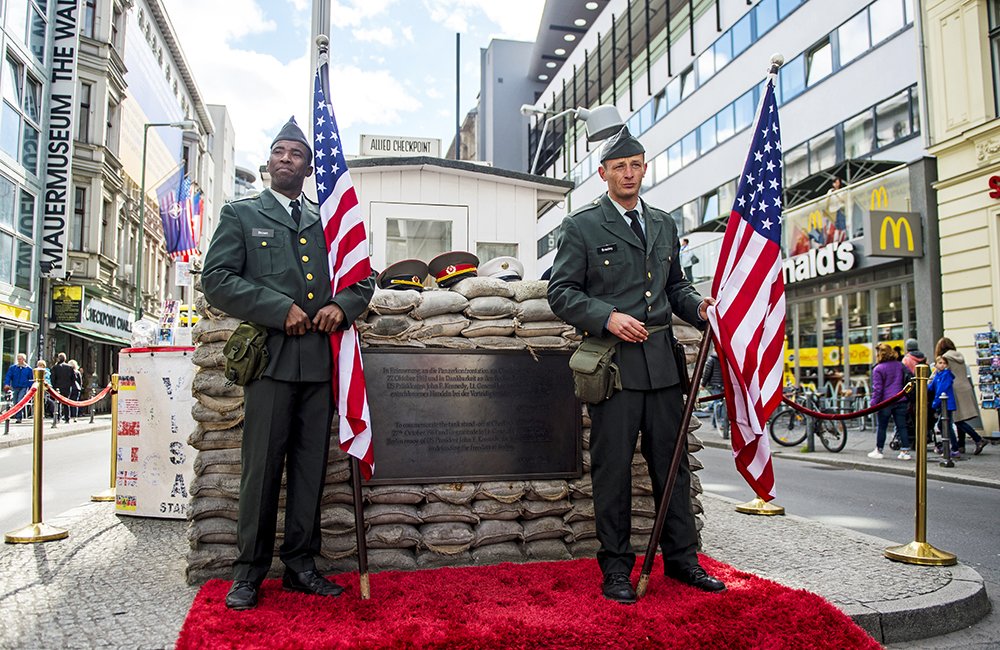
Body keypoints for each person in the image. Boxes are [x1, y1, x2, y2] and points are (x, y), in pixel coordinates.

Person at [202, 117, 375, 611]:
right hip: (271, 363)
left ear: (308, 165)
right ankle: (249, 572)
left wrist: (340, 307)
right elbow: (215, 279)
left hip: (321, 366)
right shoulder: (241, 214)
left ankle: (301, 565)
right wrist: (278, 308)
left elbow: (363, 277)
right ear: (268, 162)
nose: (285, 159)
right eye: (278, 151)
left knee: (308, 471)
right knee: (261, 471)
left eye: (295, 153)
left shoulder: (330, 221)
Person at [547, 126, 723, 604]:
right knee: (613, 470)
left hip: (663, 367)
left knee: (674, 468)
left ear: (645, 168)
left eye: (636, 165)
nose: (628, 173)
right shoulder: (581, 226)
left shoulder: (664, 223)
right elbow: (560, 292)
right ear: (603, 174)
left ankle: (684, 561)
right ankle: (617, 569)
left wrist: (700, 308)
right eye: (619, 167)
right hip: (612, 368)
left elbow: (674, 288)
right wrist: (608, 317)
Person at [934, 337, 987, 455]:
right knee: (960, 418)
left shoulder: (945, 358)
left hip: (954, 390)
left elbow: (940, 373)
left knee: (957, 420)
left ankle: (978, 439)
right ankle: (961, 445)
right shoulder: (958, 355)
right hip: (965, 387)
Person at [868, 343, 911, 460]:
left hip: (885, 402)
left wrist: (873, 404)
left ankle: (879, 450)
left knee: (882, 426)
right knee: (902, 426)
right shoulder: (899, 365)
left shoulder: (878, 369)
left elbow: (878, 389)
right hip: (900, 399)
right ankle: (905, 451)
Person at [928, 356, 962, 458]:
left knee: (946, 425)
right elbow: (931, 387)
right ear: (936, 365)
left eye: (944, 363)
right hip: (941, 404)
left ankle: (954, 448)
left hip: (947, 404)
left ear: (946, 365)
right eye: (940, 363)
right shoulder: (937, 375)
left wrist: (935, 403)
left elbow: (941, 390)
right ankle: (947, 445)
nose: (942, 365)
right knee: (942, 425)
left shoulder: (946, 375)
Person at [701, 349, 728, 439]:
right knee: (719, 403)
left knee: (718, 402)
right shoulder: (725, 358)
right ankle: (717, 422)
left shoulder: (711, 359)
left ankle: (718, 422)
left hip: (714, 385)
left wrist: (703, 384)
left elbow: (707, 372)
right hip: (724, 384)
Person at [3, 353, 34, 424]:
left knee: (20, 401)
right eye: (18, 359)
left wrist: (30, 389)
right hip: (15, 387)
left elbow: (31, 380)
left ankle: (19, 417)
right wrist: (7, 384)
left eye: (20, 359)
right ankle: (17, 415)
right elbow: (8, 376)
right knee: (15, 402)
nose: (19, 360)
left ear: (24, 359)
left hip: (24, 387)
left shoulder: (28, 369)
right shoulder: (13, 368)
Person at [50, 352, 75, 423]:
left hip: (57, 387)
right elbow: (73, 378)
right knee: (66, 403)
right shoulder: (69, 367)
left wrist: (54, 386)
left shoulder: (55, 367)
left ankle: (57, 418)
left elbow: (52, 378)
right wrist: (70, 385)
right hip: (67, 387)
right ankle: (67, 418)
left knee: (57, 402)